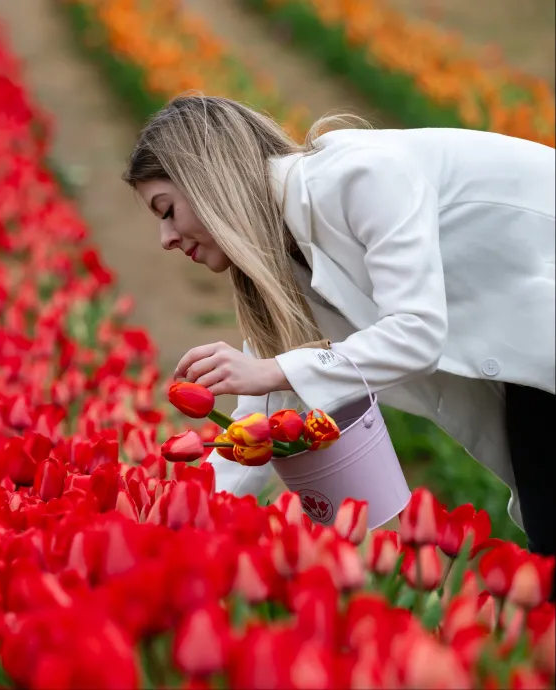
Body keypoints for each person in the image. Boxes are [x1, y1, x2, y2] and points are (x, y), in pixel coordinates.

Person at [123, 93, 555, 559]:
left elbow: (417, 332)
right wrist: (174, 528)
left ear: (210, 182)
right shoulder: (285, 267)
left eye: (167, 210)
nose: (165, 239)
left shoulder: (361, 178)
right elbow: (258, 422)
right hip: (533, 358)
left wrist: (276, 370)